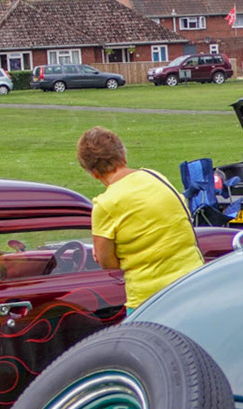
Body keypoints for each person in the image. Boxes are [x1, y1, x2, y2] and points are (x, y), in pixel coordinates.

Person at [76, 126, 203, 311]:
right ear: (123, 156)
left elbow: (107, 262)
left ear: (93, 172)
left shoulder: (104, 205)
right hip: (193, 283)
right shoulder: (156, 176)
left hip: (149, 299)